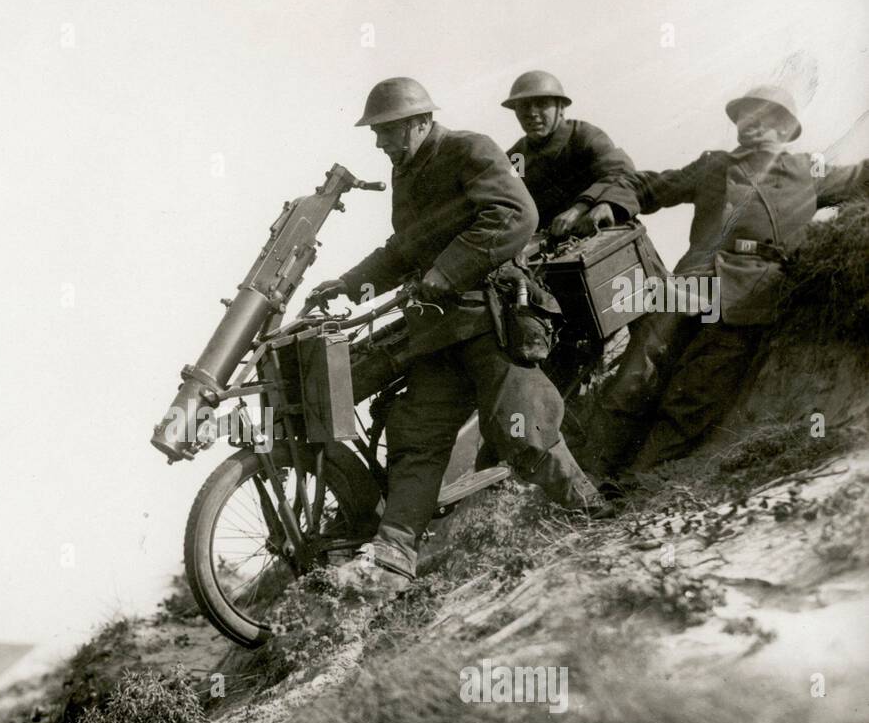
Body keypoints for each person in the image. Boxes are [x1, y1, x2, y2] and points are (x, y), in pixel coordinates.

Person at [306, 77, 607, 597]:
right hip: (436, 334)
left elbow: (515, 215)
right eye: (377, 132)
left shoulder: (469, 149)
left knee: (523, 428)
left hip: (490, 319)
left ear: (420, 122)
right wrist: (352, 282)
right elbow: (405, 248)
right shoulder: (408, 171)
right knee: (416, 441)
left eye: (387, 130)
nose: (380, 142)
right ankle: (395, 554)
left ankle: (593, 516)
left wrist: (443, 275)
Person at [583, 84, 869, 479]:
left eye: (767, 119)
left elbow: (862, 177)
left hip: (753, 293)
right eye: (746, 118)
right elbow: (647, 186)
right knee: (637, 374)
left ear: (787, 129)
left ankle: (635, 482)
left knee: (697, 394)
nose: (753, 126)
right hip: (693, 281)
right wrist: (604, 203)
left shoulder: (809, 170)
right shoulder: (714, 165)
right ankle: (591, 481)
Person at [501, 70, 640, 238]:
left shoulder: (583, 136)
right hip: (550, 250)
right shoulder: (518, 157)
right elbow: (510, 203)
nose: (532, 113)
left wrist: (579, 208)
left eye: (541, 103)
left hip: (609, 239)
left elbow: (623, 174)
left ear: (561, 108)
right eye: (524, 106)